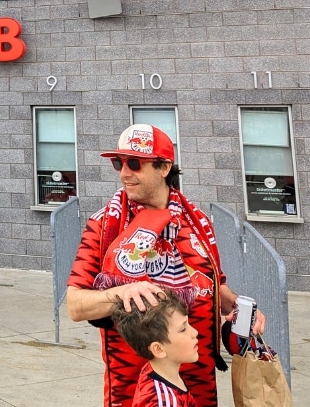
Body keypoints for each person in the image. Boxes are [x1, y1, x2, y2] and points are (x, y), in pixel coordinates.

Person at [67, 124, 266, 407]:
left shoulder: (198, 224)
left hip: (199, 385)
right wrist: (122, 292)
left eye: (134, 163)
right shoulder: (102, 226)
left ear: (164, 167)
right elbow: (76, 304)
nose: (124, 173)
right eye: (118, 163)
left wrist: (237, 305)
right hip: (135, 389)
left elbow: (214, 286)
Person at [112, 290, 199, 407]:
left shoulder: (156, 371)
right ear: (158, 349)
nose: (195, 332)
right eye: (183, 329)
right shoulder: (165, 402)